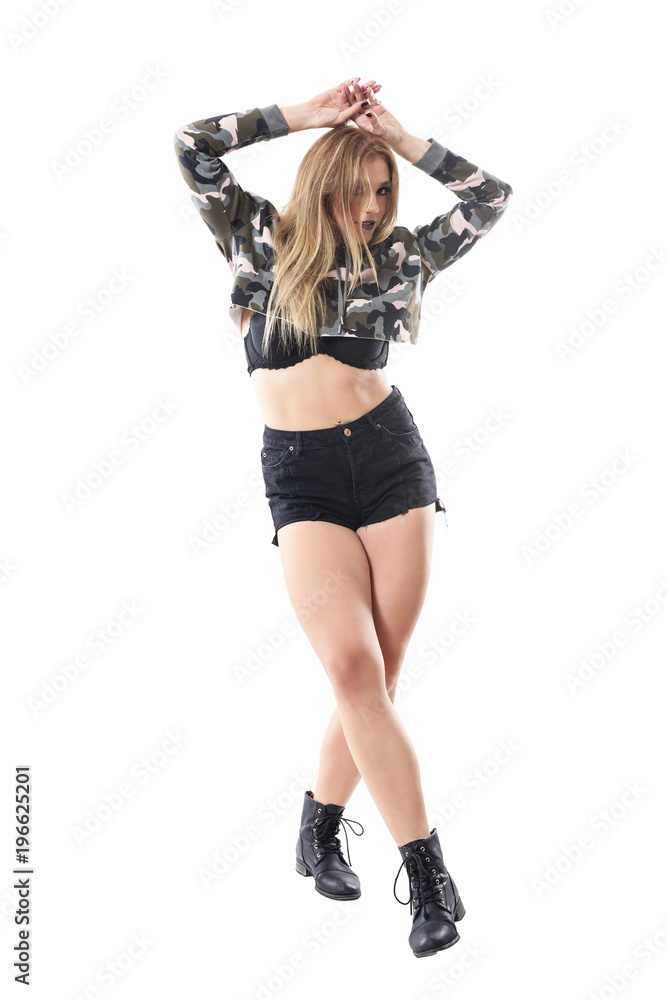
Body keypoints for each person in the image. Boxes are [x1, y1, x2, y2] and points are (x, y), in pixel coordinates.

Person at [174, 77, 512, 958]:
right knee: (356, 673)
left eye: (382, 192)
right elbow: (192, 145)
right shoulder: (257, 240)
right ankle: (428, 879)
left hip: (392, 460)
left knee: (377, 684)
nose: (371, 206)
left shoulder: (399, 258)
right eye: (357, 186)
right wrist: (308, 116)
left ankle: (319, 828)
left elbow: (489, 197)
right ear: (321, 179)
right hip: (304, 478)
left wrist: (402, 142)